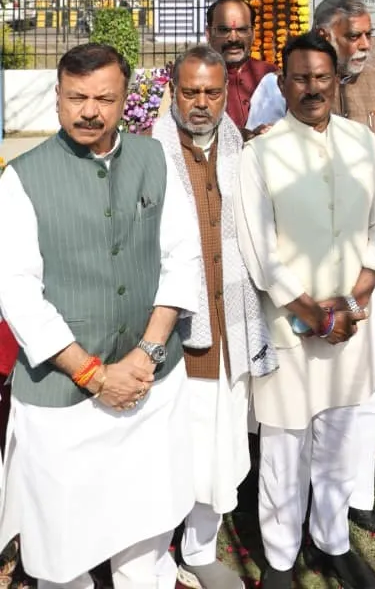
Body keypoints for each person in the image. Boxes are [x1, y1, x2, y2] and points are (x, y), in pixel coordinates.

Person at [0, 42, 201, 589]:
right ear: (58, 98)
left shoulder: (154, 159)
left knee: (147, 536)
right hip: (62, 399)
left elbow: (181, 258)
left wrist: (148, 352)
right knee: (62, 549)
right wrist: (92, 373)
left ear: (124, 99)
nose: (89, 111)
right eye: (76, 97)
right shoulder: (21, 178)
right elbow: (17, 294)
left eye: (104, 98)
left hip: (149, 386)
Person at [248, 0, 375, 535]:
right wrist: (313, 309)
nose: (314, 88)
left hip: (358, 298)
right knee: (290, 429)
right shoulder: (267, 122)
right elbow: (260, 235)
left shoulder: (370, 115)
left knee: (352, 411)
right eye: (355, 36)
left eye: (370, 35)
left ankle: (344, 518)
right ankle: (285, 541)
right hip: (294, 308)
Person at [235, 33, 375, 589]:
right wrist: (315, 313)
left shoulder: (361, 142)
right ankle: (281, 556)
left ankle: (332, 542)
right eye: (300, 78)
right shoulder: (259, 154)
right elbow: (260, 254)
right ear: (283, 85)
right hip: (290, 328)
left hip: (352, 325)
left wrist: (351, 304)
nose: (312, 89)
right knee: (284, 444)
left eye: (321, 77)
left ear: (336, 81)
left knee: (341, 438)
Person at [152, 46, 277, 589]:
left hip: (234, 328)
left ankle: (200, 551)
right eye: (190, 91)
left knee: (222, 446)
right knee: (171, 451)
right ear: (173, 92)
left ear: (227, 93)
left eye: (212, 92)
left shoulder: (243, 149)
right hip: (177, 334)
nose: (201, 103)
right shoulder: (148, 155)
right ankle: (154, 557)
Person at [205, 0, 277, 133]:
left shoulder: (271, 75)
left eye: (242, 30)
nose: (233, 38)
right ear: (209, 34)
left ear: (253, 34)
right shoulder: (195, 77)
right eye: (224, 30)